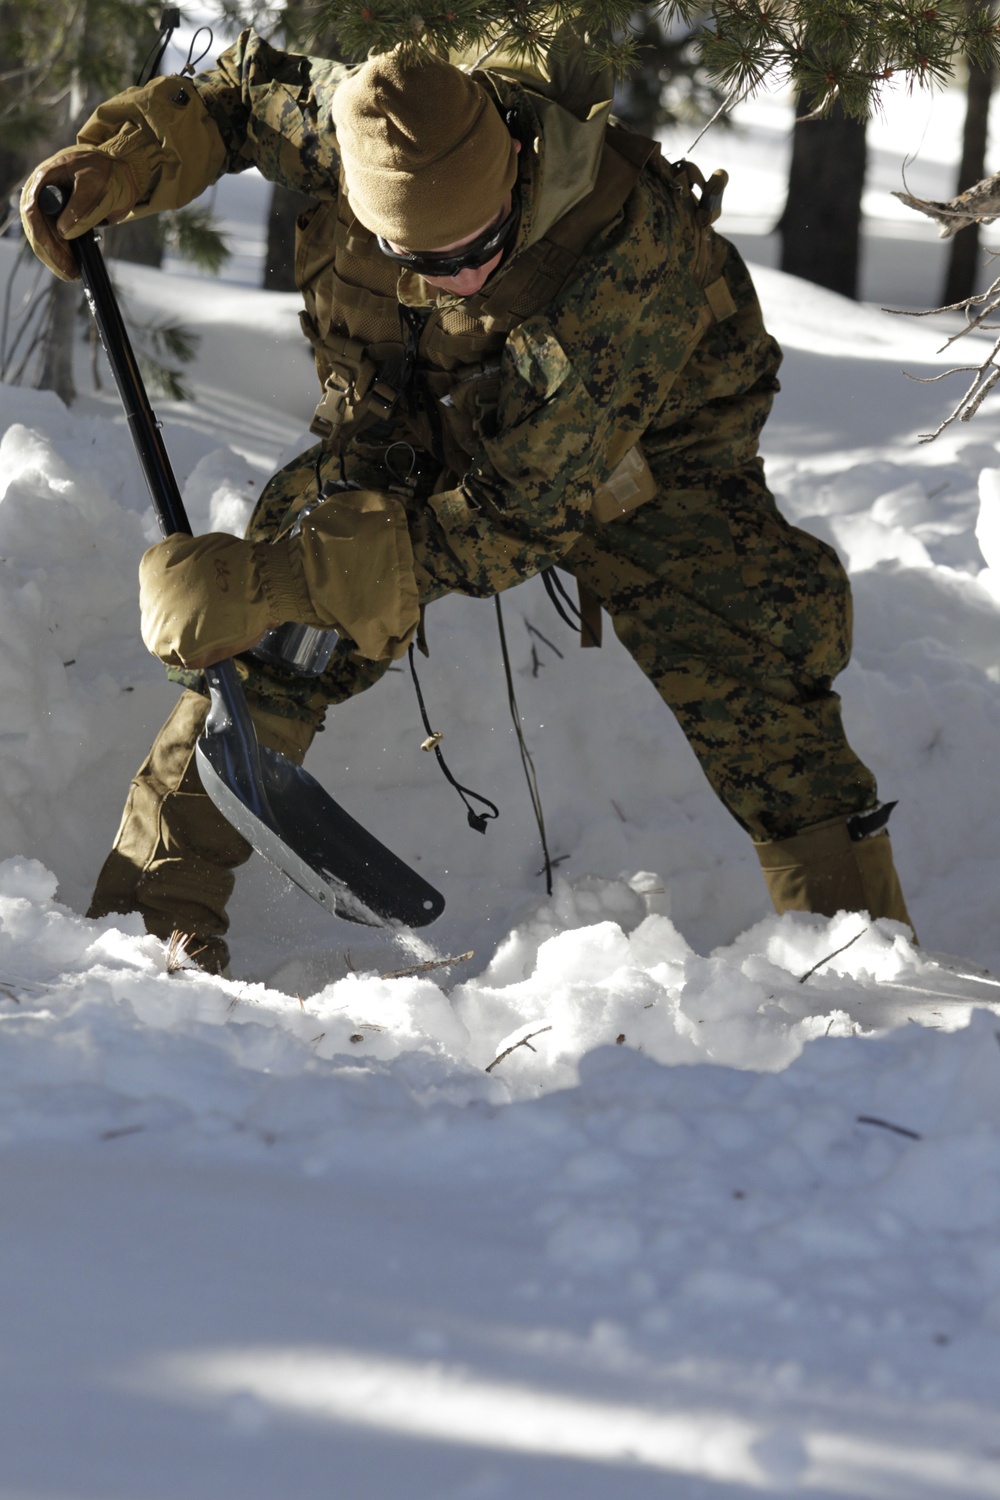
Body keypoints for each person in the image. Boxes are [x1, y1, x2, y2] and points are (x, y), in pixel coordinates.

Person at [20, 28, 913, 973]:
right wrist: (120, 164)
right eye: (428, 260)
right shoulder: (360, 128)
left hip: (640, 459)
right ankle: (150, 933)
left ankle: (862, 970)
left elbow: (511, 521)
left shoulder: (622, 257)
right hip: (417, 418)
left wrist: (276, 576)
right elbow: (238, 97)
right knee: (269, 643)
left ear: (516, 167)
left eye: (483, 246)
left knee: (759, 669)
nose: (467, 277)